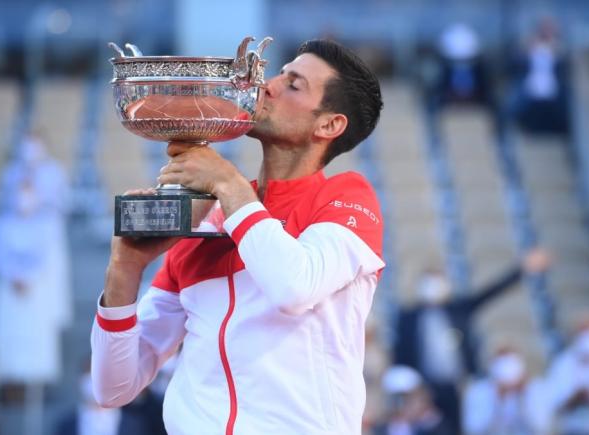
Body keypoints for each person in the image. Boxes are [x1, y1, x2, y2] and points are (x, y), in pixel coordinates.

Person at [91, 39, 384, 435]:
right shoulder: (209, 220)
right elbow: (114, 387)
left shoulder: (345, 196)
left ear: (328, 125)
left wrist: (227, 183)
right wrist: (125, 268)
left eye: (293, 85)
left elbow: (294, 286)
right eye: (279, 73)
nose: (268, 86)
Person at [393, 247, 550, 432]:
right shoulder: (408, 316)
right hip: (425, 389)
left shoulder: (458, 309)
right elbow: (400, 353)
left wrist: (522, 269)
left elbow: (490, 292)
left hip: (459, 386)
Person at [0, 133, 71, 393]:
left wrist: (29, 276)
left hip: (36, 288)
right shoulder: (3, 222)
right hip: (11, 288)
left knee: (36, 337)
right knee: (10, 337)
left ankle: (38, 386)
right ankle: (10, 385)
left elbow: (44, 256)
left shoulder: (47, 224)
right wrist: (14, 274)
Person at [462, 347, 553, 435]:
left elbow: (542, 426)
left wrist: (523, 398)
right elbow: (473, 428)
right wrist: (498, 400)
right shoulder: (478, 391)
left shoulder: (535, 388)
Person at [507, 17, 571, 136]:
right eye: (545, 29)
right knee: (510, 106)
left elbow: (564, 63)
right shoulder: (531, 46)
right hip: (531, 88)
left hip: (552, 89)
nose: (547, 32)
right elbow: (516, 60)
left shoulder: (557, 47)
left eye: (550, 29)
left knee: (567, 108)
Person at [374, 365, 453, 435]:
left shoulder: (436, 426)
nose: (402, 406)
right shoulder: (379, 429)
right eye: (398, 399)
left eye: (409, 398)